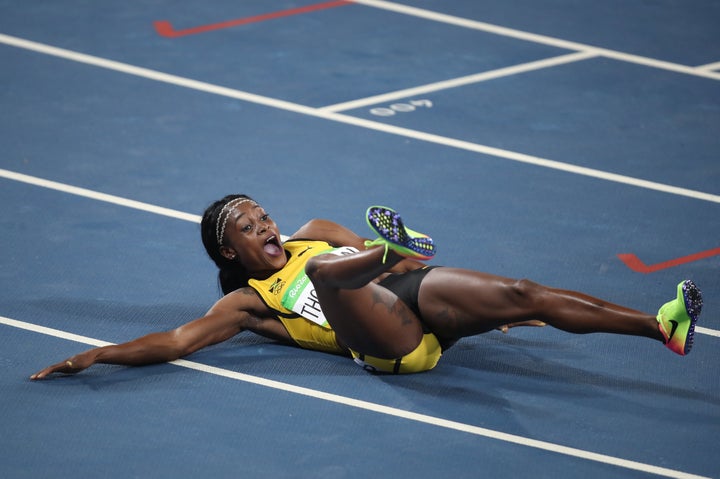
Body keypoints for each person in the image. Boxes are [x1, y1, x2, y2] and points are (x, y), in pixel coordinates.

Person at [31, 194, 703, 378]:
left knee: (524, 291)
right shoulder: (247, 303)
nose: (264, 223)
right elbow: (175, 341)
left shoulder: (315, 228)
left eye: (262, 213)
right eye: (247, 225)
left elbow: (407, 279)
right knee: (328, 272)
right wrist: (98, 354)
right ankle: (388, 244)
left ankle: (660, 326)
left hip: (412, 301)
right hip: (389, 346)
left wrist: (486, 311)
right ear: (228, 249)